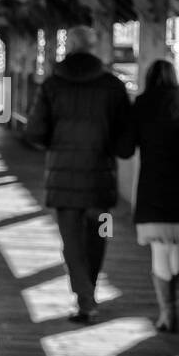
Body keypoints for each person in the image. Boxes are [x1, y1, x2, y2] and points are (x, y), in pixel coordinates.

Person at [25, 25, 134, 324]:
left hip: (63, 181)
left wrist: (56, 144)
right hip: (101, 180)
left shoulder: (52, 85)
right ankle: (90, 290)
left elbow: (34, 131)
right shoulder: (113, 86)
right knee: (99, 237)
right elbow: (126, 142)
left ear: (69, 47)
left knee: (71, 241)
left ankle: (85, 298)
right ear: (94, 47)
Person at [133, 60, 179, 332]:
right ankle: (171, 308)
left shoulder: (141, 106)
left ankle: (167, 312)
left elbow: (128, 144)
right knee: (174, 246)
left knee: (159, 249)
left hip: (153, 187)